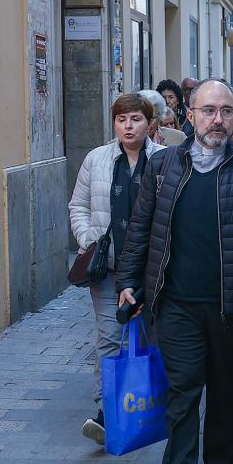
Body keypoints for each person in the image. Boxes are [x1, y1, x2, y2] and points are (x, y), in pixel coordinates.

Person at [118, 80, 233, 464]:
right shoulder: (164, 166)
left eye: (226, 111)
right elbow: (141, 228)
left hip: (230, 305)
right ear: (189, 115)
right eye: (208, 110)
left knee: (225, 389)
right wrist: (129, 280)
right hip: (174, 302)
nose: (217, 120)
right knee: (183, 390)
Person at [68, 92, 165, 444]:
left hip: (152, 269)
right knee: (110, 338)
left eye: (135, 119)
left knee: (151, 337)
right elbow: (77, 204)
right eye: (121, 119)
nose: (128, 125)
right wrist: (88, 237)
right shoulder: (97, 160)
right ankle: (107, 412)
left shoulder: (165, 159)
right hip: (108, 268)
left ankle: (150, 404)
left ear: (149, 123)